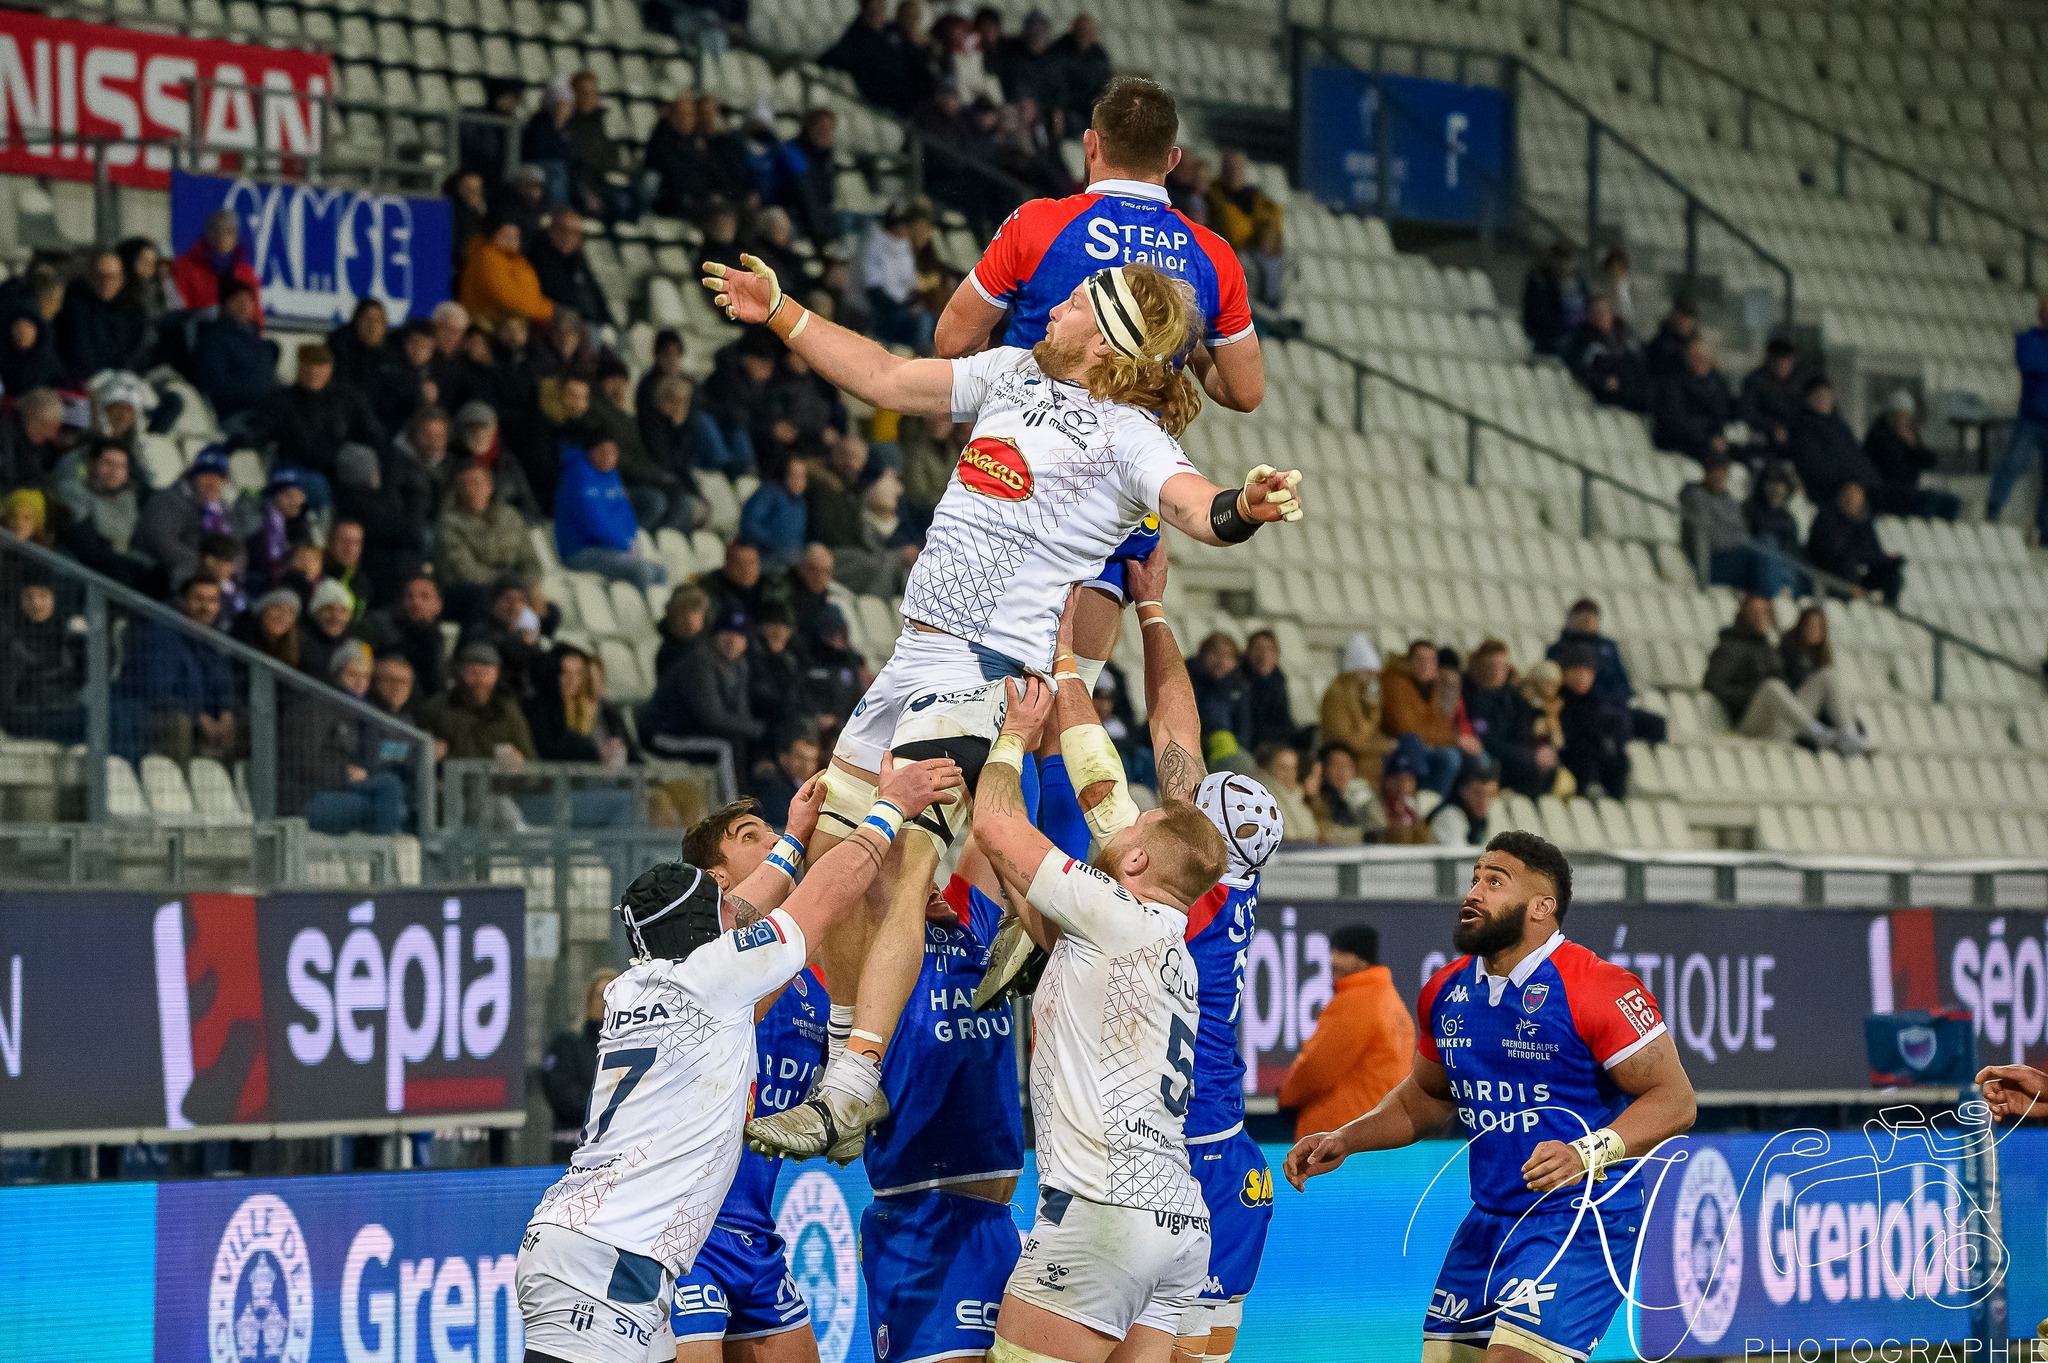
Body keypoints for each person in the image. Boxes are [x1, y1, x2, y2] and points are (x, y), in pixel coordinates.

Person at [703, 246, 1301, 1163]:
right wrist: (782, 309)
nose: (1050, 308)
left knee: (906, 857)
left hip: (989, 669)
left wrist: (1242, 507)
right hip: (916, 648)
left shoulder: (1130, 435)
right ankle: (863, 1058)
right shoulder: (1016, 371)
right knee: (835, 848)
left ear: (1105, 342)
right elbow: (893, 378)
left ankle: (852, 1085)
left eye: (1073, 304)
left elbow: (1192, 504)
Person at [513, 755, 963, 1363]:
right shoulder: (715, 977)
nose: (738, 913)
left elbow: (746, 911)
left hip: (602, 1244)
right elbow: (820, 898)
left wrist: (796, 839)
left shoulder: (634, 986)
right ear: (707, 923)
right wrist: (888, 809)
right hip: (611, 1258)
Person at [1285, 833, 1697, 1363]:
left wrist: (1584, 1153)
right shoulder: (1445, 990)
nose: (1475, 892)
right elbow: (1424, 1100)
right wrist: (1346, 1137)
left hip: (1581, 1219)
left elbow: (1676, 1100)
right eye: (1475, 878)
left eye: (1495, 882)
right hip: (1491, 1219)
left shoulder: (1598, 987)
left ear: (1542, 908)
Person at [965, 675, 1222, 1363]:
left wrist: (1015, 734)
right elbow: (1049, 929)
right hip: (1177, 1223)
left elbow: (992, 825)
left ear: (1135, 860)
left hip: (1103, 1209)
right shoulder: (1171, 951)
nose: (1119, 830)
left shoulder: (1112, 909)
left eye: (1131, 828)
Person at [934, 75, 1264, 413]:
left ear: (1090, 144)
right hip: (1130, 457)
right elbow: (1244, 392)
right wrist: (1187, 341)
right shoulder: (1213, 255)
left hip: (1021, 446)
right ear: (1172, 160)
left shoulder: (1036, 223)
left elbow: (952, 340)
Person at [666, 794, 833, 1363]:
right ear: (717, 878)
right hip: (688, 1234)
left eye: (772, 834)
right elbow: (758, 920)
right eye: (750, 837)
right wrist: (797, 837)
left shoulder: (813, 970)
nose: (771, 842)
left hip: (755, 1233)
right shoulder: (705, 961)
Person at [1277, 923, 1413, 1139]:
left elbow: (1317, 1068)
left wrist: (1285, 1097)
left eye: (1341, 952)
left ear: (1361, 959)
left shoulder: (1358, 1001)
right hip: (1373, 1131)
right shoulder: (1391, 1000)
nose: (1332, 960)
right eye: (1332, 951)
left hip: (1340, 1134)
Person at [1702, 592, 1866, 754]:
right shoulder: (1730, 646)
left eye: (1764, 612)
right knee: (1771, 686)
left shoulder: (1767, 647)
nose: (1760, 617)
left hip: (1778, 724)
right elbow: (1713, 684)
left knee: (1827, 675)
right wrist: (1752, 693)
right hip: (1750, 721)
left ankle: (1849, 736)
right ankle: (1819, 734)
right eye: (1755, 612)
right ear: (1744, 613)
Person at [287, 641, 411, 835]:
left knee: (390, 789)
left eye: (366, 677)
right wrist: (344, 774)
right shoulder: (317, 707)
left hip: (341, 790)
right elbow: (303, 760)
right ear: (337, 675)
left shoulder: (358, 713)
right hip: (309, 798)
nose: (360, 682)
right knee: (388, 795)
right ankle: (385, 852)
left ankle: (382, 850)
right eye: (353, 674)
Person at [118, 576, 237, 763]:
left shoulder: (210, 637)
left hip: (197, 714)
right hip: (151, 712)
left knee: (247, 722)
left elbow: (222, 679)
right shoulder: (159, 631)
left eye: (212, 600)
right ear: (181, 601)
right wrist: (200, 716)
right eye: (198, 599)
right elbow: (158, 689)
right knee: (178, 722)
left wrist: (226, 711)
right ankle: (179, 788)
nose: (206, 608)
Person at [636, 606, 765, 770]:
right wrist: (759, 730)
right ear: (716, 634)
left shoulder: (740, 665)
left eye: (740, 636)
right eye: (728, 633)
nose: (733, 641)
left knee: (749, 740)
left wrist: (760, 732)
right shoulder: (700, 661)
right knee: (729, 744)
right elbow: (712, 717)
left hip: (694, 731)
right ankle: (735, 795)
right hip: (665, 734)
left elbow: (740, 714)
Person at [1680, 452, 1802, 597]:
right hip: (1717, 561)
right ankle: (1772, 597)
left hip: (1739, 559)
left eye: (1724, 472)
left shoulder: (1730, 501)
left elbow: (1742, 534)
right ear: (1706, 472)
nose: (1720, 477)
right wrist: (1702, 582)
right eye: (1715, 471)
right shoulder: (1697, 498)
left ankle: (1778, 592)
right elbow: (1700, 538)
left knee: (1772, 549)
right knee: (1766, 543)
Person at [1546, 597, 1666, 745]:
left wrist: (1617, 702)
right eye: (1583, 617)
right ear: (1571, 618)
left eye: (1592, 617)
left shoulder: (1608, 647)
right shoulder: (1559, 649)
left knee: (1655, 724)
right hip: (1581, 710)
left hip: (1613, 708)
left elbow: (1622, 683)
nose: (1588, 622)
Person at [555, 440, 668, 590]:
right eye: (606, 451)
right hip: (582, 550)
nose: (610, 457)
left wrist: (632, 538)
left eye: (614, 453)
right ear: (593, 451)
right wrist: (625, 544)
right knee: (641, 571)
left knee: (662, 572)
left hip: (611, 549)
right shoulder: (578, 476)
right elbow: (593, 524)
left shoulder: (612, 476)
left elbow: (626, 512)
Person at [539, 968, 622, 1161]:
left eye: (615, 995)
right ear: (588, 1001)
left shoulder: (634, 1047)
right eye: (601, 995)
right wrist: (608, 1108)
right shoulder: (567, 1044)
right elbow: (561, 1094)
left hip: (617, 1152)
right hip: (571, 1152)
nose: (607, 1003)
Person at [1987, 294, 2048, 544]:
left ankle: (2045, 529)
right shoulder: (2027, 339)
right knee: (2013, 464)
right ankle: (1994, 509)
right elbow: (2031, 365)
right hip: (2031, 419)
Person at [1380, 639, 1469, 798]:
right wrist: (1453, 738)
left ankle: (1429, 806)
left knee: (1455, 757)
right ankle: (1423, 808)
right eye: (1420, 659)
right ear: (1409, 661)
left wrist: (1451, 738)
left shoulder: (1432, 688)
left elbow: (1442, 725)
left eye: (1431, 660)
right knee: (1445, 757)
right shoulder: (1395, 682)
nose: (1426, 665)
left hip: (1423, 744)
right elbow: (1405, 727)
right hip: (1397, 745)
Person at [1864, 389, 1962, 520]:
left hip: (1908, 489)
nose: (1903, 421)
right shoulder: (1879, 436)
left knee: (1951, 502)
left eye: (1906, 416)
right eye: (1899, 416)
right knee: (1928, 501)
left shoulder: (1909, 436)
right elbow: (1894, 466)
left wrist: (1914, 446)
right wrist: (1903, 443)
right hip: (1887, 490)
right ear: (1890, 416)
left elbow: (1929, 461)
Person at [1806, 480, 1905, 606]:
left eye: (1856, 496)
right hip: (1831, 571)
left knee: (1893, 570)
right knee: (1848, 558)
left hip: (1856, 571)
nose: (1852, 500)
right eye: (1849, 495)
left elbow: (1872, 551)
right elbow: (1826, 550)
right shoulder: (1827, 517)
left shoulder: (1864, 522)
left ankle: (1890, 607)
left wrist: (1888, 560)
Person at [190, 281, 279, 421]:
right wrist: (257, 393)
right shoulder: (214, 339)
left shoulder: (260, 343)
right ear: (224, 304)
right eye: (237, 300)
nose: (244, 305)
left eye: (249, 300)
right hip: (235, 414)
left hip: (265, 412)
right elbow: (217, 384)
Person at [1556, 644, 1631, 798]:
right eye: (1577, 672)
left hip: (1597, 755)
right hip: (1571, 756)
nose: (1582, 678)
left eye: (1586, 673)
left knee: (1619, 759)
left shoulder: (1598, 701)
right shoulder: (1557, 700)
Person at [1651, 334, 1737, 463]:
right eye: (1695, 358)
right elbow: (1675, 420)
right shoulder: (1673, 383)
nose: (1699, 363)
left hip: (1707, 440)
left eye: (1704, 359)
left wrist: (1717, 436)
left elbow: (1721, 415)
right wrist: (1707, 439)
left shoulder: (1717, 384)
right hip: (1678, 440)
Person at [528, 209, 616, 330]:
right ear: (551, 231)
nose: (569, 237)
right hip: (562, 325)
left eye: (575, 233)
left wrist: (608, 321)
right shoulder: (540, 257)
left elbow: (595, 292)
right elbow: (559, 295)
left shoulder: (577, 259)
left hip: (592, 323)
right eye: (563, 231)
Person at [1563, 292, 1650, 412]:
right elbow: (1580, 370)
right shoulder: (1583, 340)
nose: (1601, 316)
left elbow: (1641, 359)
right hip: (1607, 391)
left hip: (1632, 385)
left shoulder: (1626, 335)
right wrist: (1602, 381)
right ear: (1589, 316)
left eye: (1604, 312)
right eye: (1596, 313)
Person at [459, 217, 555, 323]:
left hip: (523, 316)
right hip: (490, 321)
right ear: (493, 235)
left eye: (515, 236)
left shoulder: (519, 261)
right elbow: (506, 299)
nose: (511, 240)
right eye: (506, 235)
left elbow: (532, 295)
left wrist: (546, 308)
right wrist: (545, 310)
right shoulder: (487, 257)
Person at [170, 208, 260, 313]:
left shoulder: (246, 274)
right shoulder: (184, 267)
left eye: (228, 231)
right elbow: (178, 310)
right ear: (207, 233)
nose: (221, 236)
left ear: (235, 236)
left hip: (236, 329)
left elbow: (256, 317)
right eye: (215, 230)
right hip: (198, 326)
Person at [1739, 334, 1804, 453]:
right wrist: (1772, 427)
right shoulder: (1755, 381)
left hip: (1795, 437)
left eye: (1788, 362)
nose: (1784, 367)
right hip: (1764, 440)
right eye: (1780, 362)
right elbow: (1748, 412)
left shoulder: (1797, 381)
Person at [1519, 240, 1584, 357]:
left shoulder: (1578, 281)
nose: (1565, 266)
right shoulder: (1540, 280)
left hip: (1577, 339)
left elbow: (1585, 307)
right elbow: (1537, 314)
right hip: (1548, 340)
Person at [1430, 753, 1500, 845]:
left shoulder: (1483, 818)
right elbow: (1458, 857)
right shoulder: (1449, 816)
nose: (1483, 801)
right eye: (1477, 793)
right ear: (1462, 790)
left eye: (1490, 794)